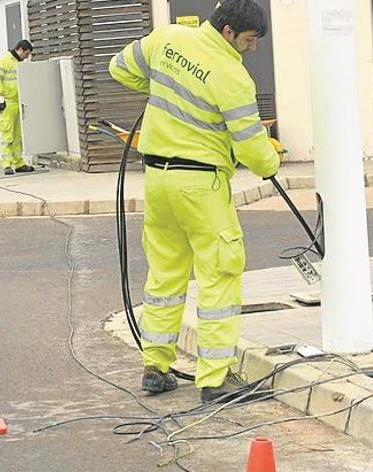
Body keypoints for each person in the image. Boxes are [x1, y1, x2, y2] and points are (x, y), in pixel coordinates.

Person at [109, 0, 280, 403]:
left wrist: (166, 91)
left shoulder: (167, 37)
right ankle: (215, 380)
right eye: (250, 40)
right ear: (228, 32)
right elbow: (253, 148)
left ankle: (155, 365)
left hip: (157, 180)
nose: (252, 48)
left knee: (165, 276)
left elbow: (119, 67)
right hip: (201, 185)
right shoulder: (231, 74)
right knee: (219, 275)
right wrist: (272, 162)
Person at [0, 40, 35, 175]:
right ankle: (7, 165)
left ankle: (19, 163)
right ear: (21, 49)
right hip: (8, 103)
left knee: (18, 136)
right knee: (8, 135)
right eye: (26, 54)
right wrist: (0, 99)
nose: (27, 57)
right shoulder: (4, 61)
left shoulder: (19, 63)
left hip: (18, 102)